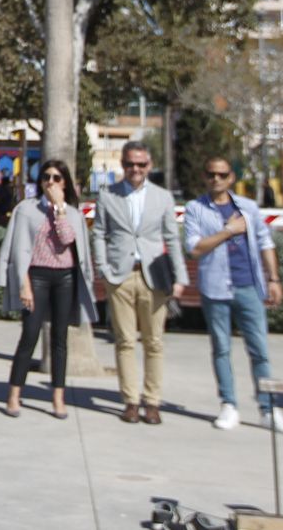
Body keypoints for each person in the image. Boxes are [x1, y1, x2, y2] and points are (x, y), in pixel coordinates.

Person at [183, 157, 283, 435]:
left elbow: (265, 242)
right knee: (221, 348)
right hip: (215, 288)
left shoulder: (247, 208)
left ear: (231, 178)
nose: (216, 179)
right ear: (205, 176)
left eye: (222, 174)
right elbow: (194, 249)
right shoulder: (195, 209)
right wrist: (228, 231)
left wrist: (274, 279)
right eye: (211, 174)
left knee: (259, 350)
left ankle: (268, 409)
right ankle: (229, 404)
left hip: (248, 286)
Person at [92, 141, 187, 425]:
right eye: (131, 164)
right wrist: (104, 268)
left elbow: (172, 238)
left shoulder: (163, 197)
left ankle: (152, 401)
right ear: (123, 164)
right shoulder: (108, 194)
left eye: (141, 164)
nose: (136, 169)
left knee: (154, 342)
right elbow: (99, 233)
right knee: (124, 341)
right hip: (120, 276)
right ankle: (130, 401)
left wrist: (180, 276)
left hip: (154, 276)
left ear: (150, 166)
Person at [0, 159, 96, 419]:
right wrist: (23, 284)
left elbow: (67, 239)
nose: (50, 182)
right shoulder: (26, 209)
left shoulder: (72, 213)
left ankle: (58, 398)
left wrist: (60, 208)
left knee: (60, 339)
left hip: (65, 278)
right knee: (29, 335)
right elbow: (18, 249)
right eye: (46, 177)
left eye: (56, 178)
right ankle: (14, 394)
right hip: (36, 276)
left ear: (65, 183)